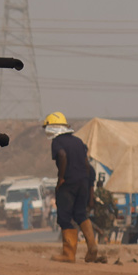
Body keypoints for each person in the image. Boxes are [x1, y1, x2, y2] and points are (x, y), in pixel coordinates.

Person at [43, 112, 100, 263]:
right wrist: (86, 183)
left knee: (65, 217)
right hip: (83, 181)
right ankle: (92, 246)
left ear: (53, 127)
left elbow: (62, 155)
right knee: (81, 214)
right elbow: (87, 164)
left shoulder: (57, 142)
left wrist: (61, 178)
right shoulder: (78, 141)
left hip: (69, 183)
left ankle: (69, 254)